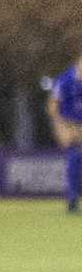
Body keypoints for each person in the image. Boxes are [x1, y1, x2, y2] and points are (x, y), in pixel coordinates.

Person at [51, 58, 82, 213]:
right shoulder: (64, 80)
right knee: (74, 159)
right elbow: (53, 105)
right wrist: (59, 127)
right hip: (69, 124)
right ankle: (72, 199)